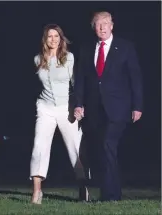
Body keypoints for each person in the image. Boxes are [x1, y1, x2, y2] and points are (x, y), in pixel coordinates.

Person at [74, 11, 143, 201]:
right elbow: (80, 79)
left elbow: (135, 78)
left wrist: (137, 106)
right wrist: (79, 104)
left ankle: (111, 195)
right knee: (101, 150)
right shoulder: (87, 49)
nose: (102, 27)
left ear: (112, 25)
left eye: (106, 23)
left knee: (107, 145)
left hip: (118, 108)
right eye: (98, 24)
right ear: (93, 27)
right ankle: (110, 192)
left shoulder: (126, 47)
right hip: (95, 109)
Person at [30, 24, 88, 204]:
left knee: (75, 148)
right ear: (45, 39)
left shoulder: (68, 58)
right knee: (39, 146)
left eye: (56, 36)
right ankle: (37, 192)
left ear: (61, 38)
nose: (53, 39)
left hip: (66, 108)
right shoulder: (38, 59)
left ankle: (83, 189)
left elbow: (76, 84)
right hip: (45, 108)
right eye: (49, 36)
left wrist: (79, 106)